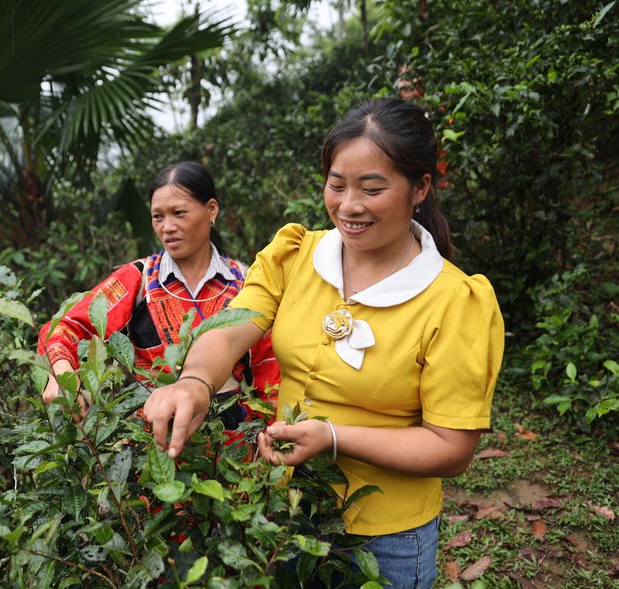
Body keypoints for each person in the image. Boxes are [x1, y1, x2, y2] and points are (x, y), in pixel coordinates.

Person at [143, 98, 504, 588]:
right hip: (288, 506)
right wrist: (195, 381)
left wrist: (332, 437)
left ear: (419, 188)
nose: (349, 206)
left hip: (387, 538)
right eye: (337, 185)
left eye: (372, 189)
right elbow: (233, 325)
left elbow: (452, 447)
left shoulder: (455, 301)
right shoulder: (297, 254)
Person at [37, 161, 280, 431]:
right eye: (158, 217)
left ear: (211, 209)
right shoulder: (138, 279)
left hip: (234, 441)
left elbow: (269, 372)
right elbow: (65, 327)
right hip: (152, 437)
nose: (167, 227)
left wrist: (269, 438)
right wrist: (61, 372)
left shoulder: (247, 282)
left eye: (179, 213)